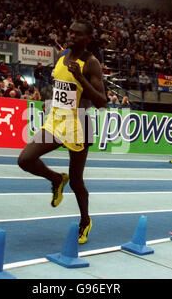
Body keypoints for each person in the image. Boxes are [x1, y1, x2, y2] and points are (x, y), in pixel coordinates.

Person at [17, 19, 107, 244]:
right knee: (25, 159)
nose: (72, 36)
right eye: (70, 31)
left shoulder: (91, 63)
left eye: (77, 34)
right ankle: (56, 179)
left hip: (80, 124)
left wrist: (80, 78)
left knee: (77, 182)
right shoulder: (62, 56)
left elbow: (102, 102)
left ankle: (85, 221)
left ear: (88, 39)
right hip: (56, 120)